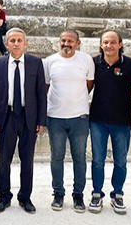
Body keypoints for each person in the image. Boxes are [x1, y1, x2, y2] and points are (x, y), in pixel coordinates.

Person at [0, 28, 47, 214]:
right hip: (6, 117)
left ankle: (25, 197)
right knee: (4, 160)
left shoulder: (36, 63)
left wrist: (41, 120)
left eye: (19, 40)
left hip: (28, 117)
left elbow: (41, 94)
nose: (15, 43)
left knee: (27, 159)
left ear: (25, 43)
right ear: (6, 44)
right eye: (12, 40)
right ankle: (4, 197)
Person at [89, 30, 131, 215]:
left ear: (120, 44)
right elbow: (87, 85)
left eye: (113, 42)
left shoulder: (130, 65)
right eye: (105, 42)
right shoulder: (93, 63)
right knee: (97, 160)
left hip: (122, 120)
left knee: (120, 161)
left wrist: (128, 93)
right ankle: (96, 193)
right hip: (97, 120)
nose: (109, 45)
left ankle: (117, 194)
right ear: (101, 44)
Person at [43, 29, 94, 212]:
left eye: (70, 41)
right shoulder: (49, 62)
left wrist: (75, 102)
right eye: (63, 40)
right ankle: (58, 193)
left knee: (79, 157)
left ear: (77, 43)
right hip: (55, 117)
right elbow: (45, 87)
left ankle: (78, 195)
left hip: (79, 117)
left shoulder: (86, 60)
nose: (66, 44)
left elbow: (89, 85)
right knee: (56, 157)